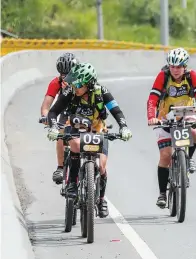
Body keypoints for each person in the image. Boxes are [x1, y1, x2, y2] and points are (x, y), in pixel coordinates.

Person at [46, 62, 132, 218]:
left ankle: (100, 199)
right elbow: (53, 112)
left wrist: (124, 127)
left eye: (78, 85)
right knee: (76, 145)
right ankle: (72, 183)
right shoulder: (69, 91)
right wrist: (52, 127)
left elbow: (116, 111)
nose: (74, 87)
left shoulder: (102, 91)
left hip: (97, 129)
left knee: (101, 166)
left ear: (89, 84)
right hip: (75, 127)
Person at [147, 47, 196, 208]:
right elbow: (152, 98)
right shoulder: (163, 76)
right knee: (166, 155)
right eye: (172, 66)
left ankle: (188, 159)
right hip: (165, 117)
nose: (175, 70)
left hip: (186, 114)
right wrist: (151, 117)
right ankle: (162, 193)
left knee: (194, 133)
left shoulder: (191, 76)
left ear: (185, 66)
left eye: (179, 66)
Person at [40, 52, 79, 184]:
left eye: (69, 75)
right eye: (63, 75)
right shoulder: (55, 83)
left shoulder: (84, 81)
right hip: (64, 112)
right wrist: (46, 118)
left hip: (82, 113)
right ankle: (60, 167)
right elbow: (46, 106)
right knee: (60, 133)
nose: (66, 78)